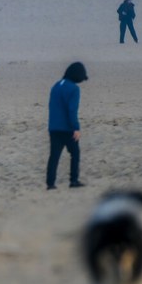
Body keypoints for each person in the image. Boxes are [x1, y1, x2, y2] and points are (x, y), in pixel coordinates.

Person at [47, 62, 88, 190]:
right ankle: (73, 180)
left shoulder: (56, 85)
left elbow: (52, 107)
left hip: (53, 127)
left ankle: (50, 183)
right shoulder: (74, 89)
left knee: (54, 156)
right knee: (75, 153)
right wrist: (76, 128)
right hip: (67, 128)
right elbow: (72, 110)